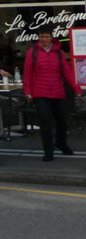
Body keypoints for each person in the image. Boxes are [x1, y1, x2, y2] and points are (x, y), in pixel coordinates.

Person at [22, 31, 82, 161]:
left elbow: (67, 73)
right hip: (40, 92)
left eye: (46, 36)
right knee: (45, 121)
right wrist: (27, 91)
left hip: (57, 91)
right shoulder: (33, 52)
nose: (44, 39)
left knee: (62, 120)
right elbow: (27, 73)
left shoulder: (58, 53)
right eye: (41, 36)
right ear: (38, 38)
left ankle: (61, 143)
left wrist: (76, 88)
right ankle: (48, 151)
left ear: (51, 38)